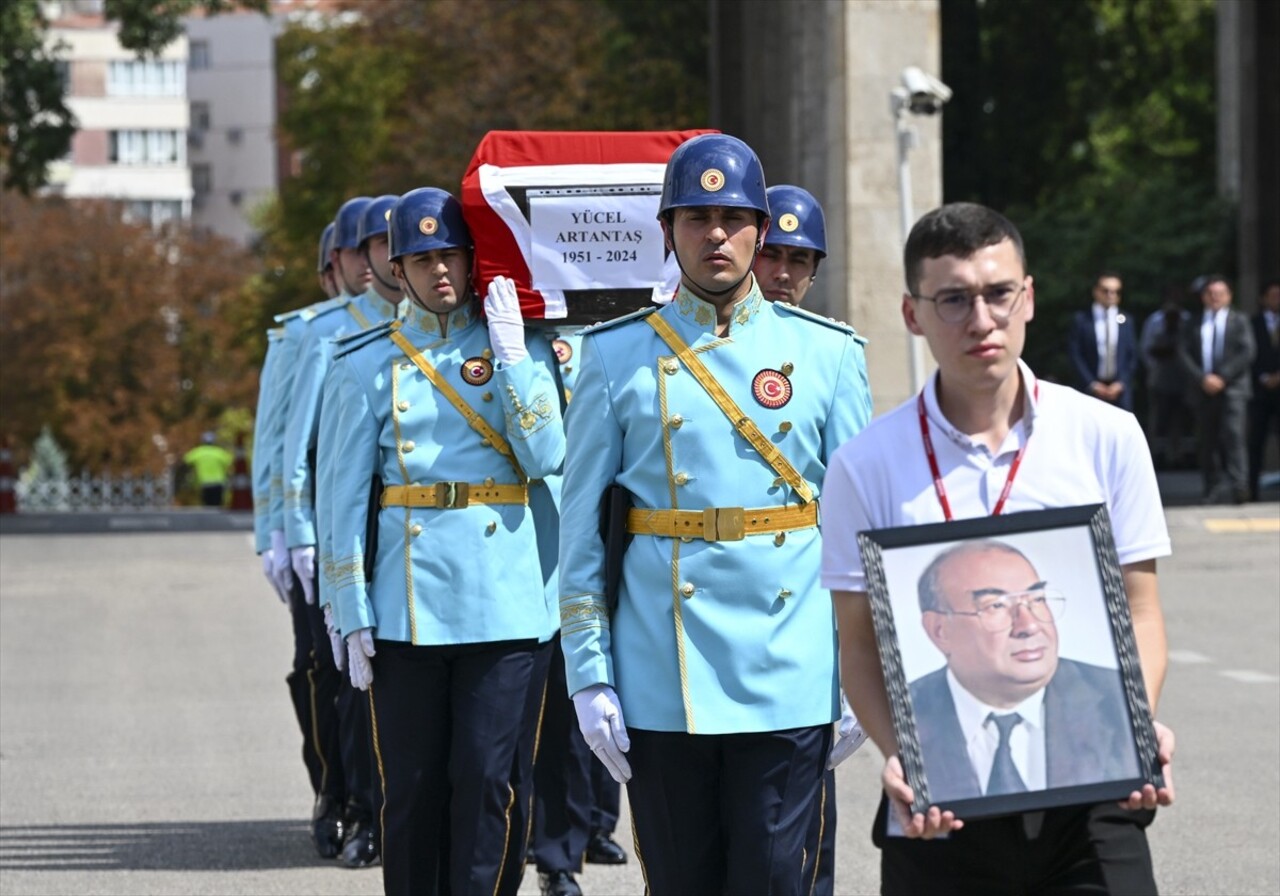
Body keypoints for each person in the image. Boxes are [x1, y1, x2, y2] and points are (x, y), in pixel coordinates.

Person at [821, 202, 1174, 895]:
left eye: (997, 293)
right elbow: (859, 644)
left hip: (1091, 800)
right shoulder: (865, 465)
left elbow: (1142, 610)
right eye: (952, 299)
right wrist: (903, 757)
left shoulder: (1105, 435)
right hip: (941, 807)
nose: (981, 320)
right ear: (912, 313)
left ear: (1029, 298)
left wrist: (1133, 729)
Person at [557, 133, 872, 896]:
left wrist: (866, 666)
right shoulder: (614, 355)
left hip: (788, 661)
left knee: (772, 881)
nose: (715, 235)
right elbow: (581, 533)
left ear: (762, 231)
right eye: (695, 218)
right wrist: (588, 673)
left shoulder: (828, 353)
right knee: (680, 882)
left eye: (733, 218)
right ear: (667, 232)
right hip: (665, 667)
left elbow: (861, 528)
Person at [324, 187, 565, 896]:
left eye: (451, 256)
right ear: (397, 268)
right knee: (414, 786)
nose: (439, 273)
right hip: (410, 603)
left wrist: (515, 355)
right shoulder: (365, 361)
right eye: (422, 259)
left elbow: (547, 454)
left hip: (507, 594)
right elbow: (340, 495)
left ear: (473, 259)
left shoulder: (522, 345)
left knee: (491, 780)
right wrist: (349, 604)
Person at [752, 182, 866, 896]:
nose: (787, 273)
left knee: (802, 836)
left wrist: (864, 656)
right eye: (777, 256)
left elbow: (855, 510)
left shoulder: (830, 354)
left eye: (803, 260)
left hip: (802, 614)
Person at [910, 540, 1138, 803]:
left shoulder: (1114, 698)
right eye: (996, 606)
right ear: (940, 630)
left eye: (1036, 599)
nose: (1028, 625)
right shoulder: (908, 712)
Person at [1178, 275, 1257, 504]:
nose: (1215, 298)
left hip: (1233, 389)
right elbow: (1183, 353)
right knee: (1207, 440)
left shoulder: (1239, 320)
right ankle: (1211, 487)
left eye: (1220, 293)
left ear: (1229, 296)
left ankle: (1240, 486)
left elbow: (1247, 352)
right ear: (1203, 297)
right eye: (1210, 293)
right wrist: (1203, 378)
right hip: (1202, 390)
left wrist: (1222, 377)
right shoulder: (1192, 322)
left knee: (1234, 436)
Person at [1138, 287, 1194, 469]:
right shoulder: (1155, 320)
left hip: (1182, 378)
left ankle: (1176, 455)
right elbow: (1146, 348)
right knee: (1157, 418)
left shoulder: (1187, 320)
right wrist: (1154, 370)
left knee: (1179, 420)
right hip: (1160, 377)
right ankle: (1152, 455)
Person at [1066, 271, 1138, 410]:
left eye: (1116, 292)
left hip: (1119, 392)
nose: (1111, 295)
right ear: (1096, 291)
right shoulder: (1081, 320)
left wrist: (1121, 383)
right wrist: (1092, 384)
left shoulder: (1125, 320)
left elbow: (1132, 355)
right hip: (1090, 390)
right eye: (1106, 291)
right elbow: (1075, 355)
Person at [1248, 279, 1280, 501]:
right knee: (1255, 441)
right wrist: (1263, 376)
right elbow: (1249, 354)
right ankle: (1251, 490)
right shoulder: (1252, 323)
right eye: (1273, 295)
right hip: (1259, 390)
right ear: (1263, 298)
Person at [183, 432, 233, 507]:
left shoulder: (198, 452)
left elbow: (186, 460)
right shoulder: (219, 452)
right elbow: (229, 461)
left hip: (204, 482)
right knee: (217, 503)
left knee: (207, 504)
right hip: (218, 481)